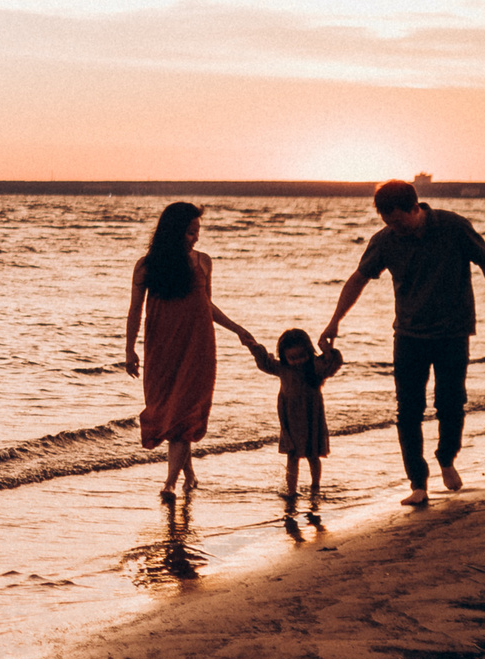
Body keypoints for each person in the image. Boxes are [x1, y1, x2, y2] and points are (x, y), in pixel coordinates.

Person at [320, 179, 485, 507]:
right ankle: (418, 483)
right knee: (408, 410)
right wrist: (334, 321)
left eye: (399, 220)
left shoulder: (454, 227)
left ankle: (446, 457)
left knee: (451, 402)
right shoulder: (385, 241)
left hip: (453, 332)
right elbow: (358, 279)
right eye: (388, 222)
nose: (395, 228)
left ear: (416, 208)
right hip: (409, 336)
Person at [121, 201, 259, 502]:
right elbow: (135, 310)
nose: (195, 238)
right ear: (173, 232)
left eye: (197, 232)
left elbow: (205, 306)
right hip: (161, 346)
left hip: (197, 346)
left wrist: (237, 328)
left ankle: (169, 484)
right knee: (169, 412)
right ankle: (190, 474)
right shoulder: (147, 265)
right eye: (189, 232)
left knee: (185, 414)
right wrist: (129, 349)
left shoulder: (203, 262)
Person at [244, 327, 344, 499]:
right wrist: (254, 348)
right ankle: (291, 490)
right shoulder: (282, 368)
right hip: (290, 419)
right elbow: (265, 363)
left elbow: (332, 365)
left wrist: (327, 351)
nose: (298, 361)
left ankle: (315, 486)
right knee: (292, 455)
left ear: (309, 351)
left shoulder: (315, 367)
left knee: (313, 455)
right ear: (285, 357)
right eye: (292, 358)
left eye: (302, 356)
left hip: (312, 417)